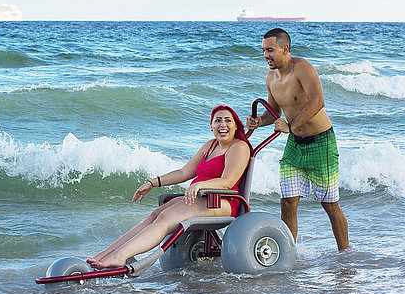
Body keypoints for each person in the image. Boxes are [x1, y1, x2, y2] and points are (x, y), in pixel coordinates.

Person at [87, 105, 252, 269]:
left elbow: (227, 181)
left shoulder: (239, 147)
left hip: (222, 201)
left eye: (228, 120)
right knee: (154, 215)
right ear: (211, 126)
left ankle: (119, 256)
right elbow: (183, 172)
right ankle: (106, 254)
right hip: (202, 198)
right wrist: (153, 182)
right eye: (217, 120)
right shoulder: (210, 146)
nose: (222, 124)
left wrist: (201, 185)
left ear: (236, 125)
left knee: (165, 219)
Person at [246, 28, 349, 251]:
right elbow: (274, 113)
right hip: (294, 145)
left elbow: (318, 101)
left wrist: (291, 126)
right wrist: (258, 122)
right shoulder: (271, 78)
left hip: (321, 141)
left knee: (330, 205)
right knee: (288, 202)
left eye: (270, 50)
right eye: (264, 50)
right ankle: (288, 253)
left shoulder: (302, 67)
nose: (266, 55)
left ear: (285, 49)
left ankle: (345, 255)